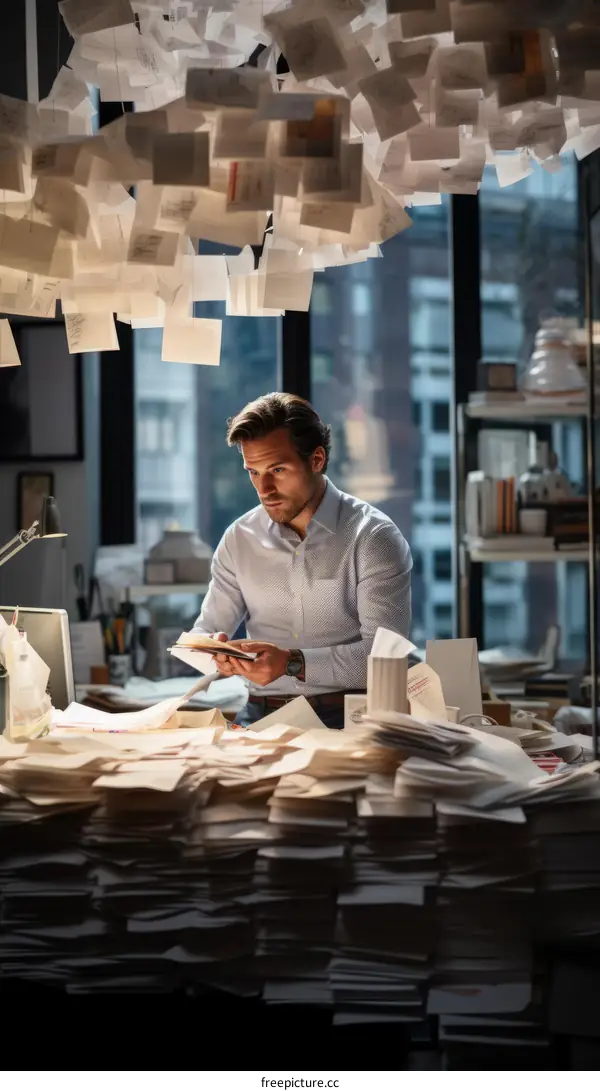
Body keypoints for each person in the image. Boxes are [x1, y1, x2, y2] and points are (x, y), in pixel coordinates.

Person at [193, 392, 412, 729]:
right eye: (253, 472)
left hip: (350, 718)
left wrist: (291, 663)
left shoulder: (373, 537)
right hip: (261, 716)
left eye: (277, 470)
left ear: (317, 459)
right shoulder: (239, 539)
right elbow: (205, 632)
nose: (264, 489)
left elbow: (386, 658)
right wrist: (214, 652)